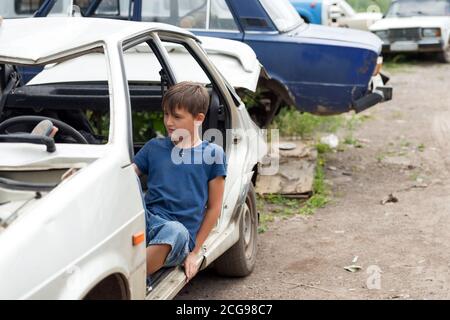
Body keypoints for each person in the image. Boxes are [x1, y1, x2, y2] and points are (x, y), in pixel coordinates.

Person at [132, 81, 227, 284]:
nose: (169, 122)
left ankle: (132, 280)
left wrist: (194, 252)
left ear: (199, 119)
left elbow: (214, 208)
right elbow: (127, 175)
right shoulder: (154, 147)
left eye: (177, 116)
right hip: (146, 221)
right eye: (166, 114)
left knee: (175, 231)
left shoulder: (213, 154)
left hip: (179, 235)